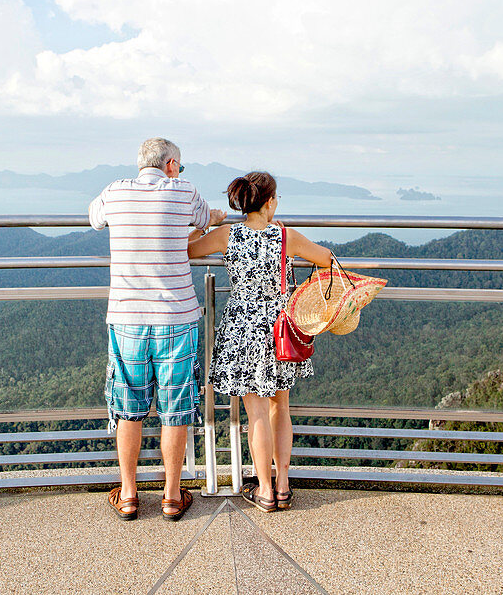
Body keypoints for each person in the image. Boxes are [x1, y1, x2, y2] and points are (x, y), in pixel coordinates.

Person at [89, 138, 226, 521]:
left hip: (127, 318)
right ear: (171, 166)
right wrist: (214, 216)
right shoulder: (184, 192)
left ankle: (129, 494)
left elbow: (94, 217)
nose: (179, 173)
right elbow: (206, 220)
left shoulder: (116, 191)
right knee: (176, 410)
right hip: (177, 319)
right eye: (179, 167)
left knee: (130, 408)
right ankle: (170, 496)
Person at [187, 171, 332, 512]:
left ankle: (264, 490)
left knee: (256, 414)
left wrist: (205, 225)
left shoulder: (228, 235)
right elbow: (326, 258)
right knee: (280, 407)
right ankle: (282, 485)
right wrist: (279, 231)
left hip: (242, 330)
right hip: (281, 330)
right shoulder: (287, 237)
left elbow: (187, 250)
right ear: (269, 202)